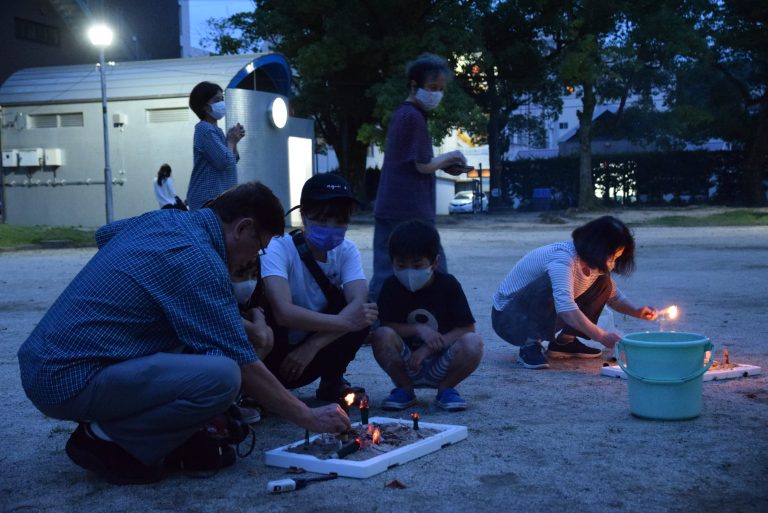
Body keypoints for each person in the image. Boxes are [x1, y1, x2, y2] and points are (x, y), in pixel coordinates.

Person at [17, 182, 350, 485]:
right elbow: (245, 366)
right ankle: (105, 438)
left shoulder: (167, 221)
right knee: (222, 376)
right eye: (258, 248)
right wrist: (306, 416)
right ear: (242, 228)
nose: (254, 259)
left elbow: (106, 234)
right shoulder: (199, 261)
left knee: (193, 344)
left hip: (44, 360)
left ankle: (135, 430)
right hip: (67, 378)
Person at [260, 173, 378, 402]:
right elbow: (283, 312)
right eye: (323, 220)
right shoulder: (277, 248)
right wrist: (345, 323)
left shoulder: (347, 250)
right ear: (303, 215)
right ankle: (258, 391)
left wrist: (313, 345)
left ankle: (332, 382)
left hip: (310, 356)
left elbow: (359, 301)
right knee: (357, 317)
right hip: (273, 356)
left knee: (362, 309)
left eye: (340, 221)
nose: (332, 228)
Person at [491, 215, 658, 370]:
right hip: (509, 320)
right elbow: (566, 309)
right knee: (550, 283)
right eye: (612, 255)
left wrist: (637, 311)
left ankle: (565, 342)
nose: (613, 262)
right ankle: (530, 343)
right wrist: (602, 336)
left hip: (542, 315)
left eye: (617, 257)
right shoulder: (562, 259)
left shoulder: (593, 263)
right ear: (596, 247)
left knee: (604, 283)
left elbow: (613, 297)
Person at [369, 53, 467, 302]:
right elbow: (422, 165)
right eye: (432, 87)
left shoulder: (404, 114)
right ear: (414, 85)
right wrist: (451, 157)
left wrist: (442, 164)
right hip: (409, 208)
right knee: (434, 265)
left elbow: (414, 164)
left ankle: (375, 322)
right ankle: (448, 315)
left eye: (441, 89)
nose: (437, 94)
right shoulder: (412, 116)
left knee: (386, 267)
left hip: (392, 205)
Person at [371, 219, 483, 411]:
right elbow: (387, 325)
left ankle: (446, 387)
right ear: (392, 262)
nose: (409, 272)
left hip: (444, 361)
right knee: (381, 336)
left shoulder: (448, 285)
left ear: (435, 262)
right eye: (401, 264)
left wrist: (429, 348)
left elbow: (466, 328)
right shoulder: (391, 286)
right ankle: (404, 387)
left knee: (474, 342)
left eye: (417, 265)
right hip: (407, 362)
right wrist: (418, 329)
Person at [186, 81, 246, 211]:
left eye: (222, 99)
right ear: (205, 107)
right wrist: (230, 141)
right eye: (217, 100)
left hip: (219, 197)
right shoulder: (205, 129)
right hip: (208, 198)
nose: (222, 104)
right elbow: (224, 162)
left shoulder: (214, 129)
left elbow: (232, 160)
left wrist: (233, 140)